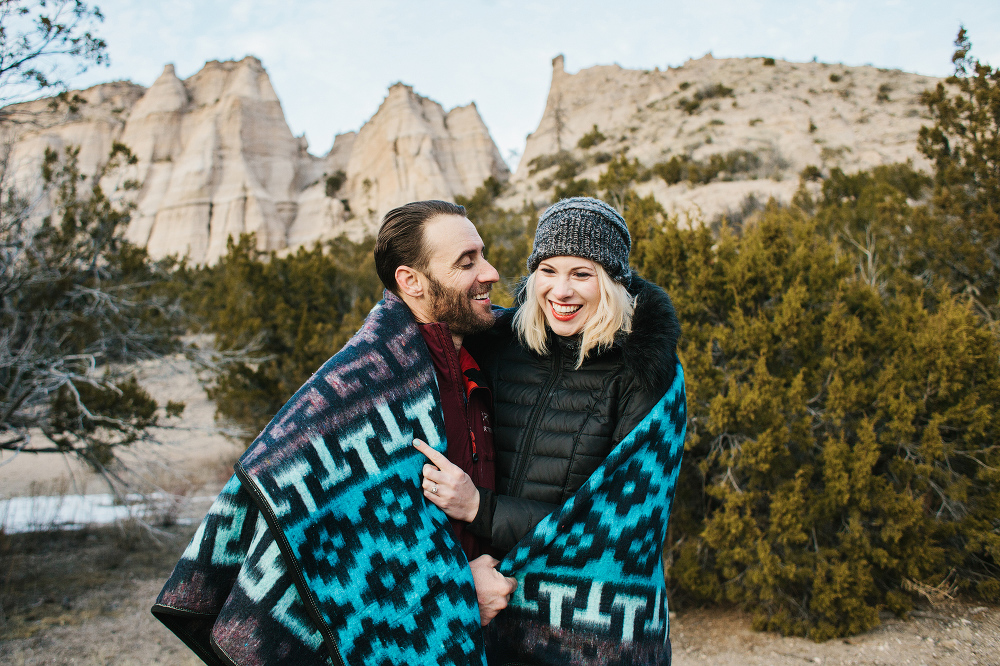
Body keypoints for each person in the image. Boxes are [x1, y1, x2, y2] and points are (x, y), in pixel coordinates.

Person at [152, 201, 515, 666]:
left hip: (500, 624)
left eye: (482, 255)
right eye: (467, 262)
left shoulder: (493, 349)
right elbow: (337, 548)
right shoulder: (353, 389)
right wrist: (460, 589)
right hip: (429, 629)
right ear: (411, 281)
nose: (490, 271)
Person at [428, 197, 687, 666]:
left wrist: (478, 509)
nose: (561, 291)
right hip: (489, 610)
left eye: (582, 273)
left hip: (593, 635)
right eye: (548, 270)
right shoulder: (498, 346)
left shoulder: (644, 376)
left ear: (612, 282)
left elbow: (613, 527)